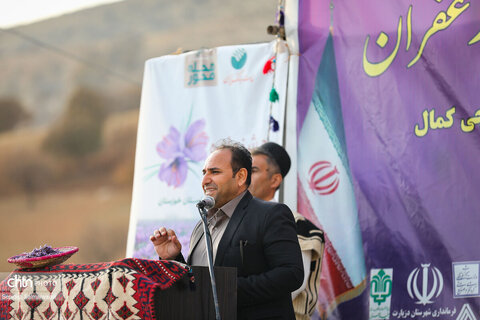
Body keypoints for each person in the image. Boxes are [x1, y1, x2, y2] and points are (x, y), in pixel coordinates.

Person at [150, 139, 304, 319]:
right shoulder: (202, 226)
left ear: (240, 177)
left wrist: (227, 290)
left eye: (214, 172)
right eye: (204, 172)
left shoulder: (270, 214)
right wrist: (173, 258)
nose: (205, 180)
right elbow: (197, 285)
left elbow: (290, 274)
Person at [249, 142, 325, 320]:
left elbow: (292, 286)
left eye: (253, 170)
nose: (244, 177)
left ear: (275, 180)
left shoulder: (298, 225)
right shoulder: (231, 222)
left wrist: (233, 294)